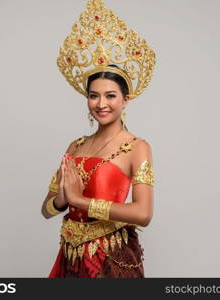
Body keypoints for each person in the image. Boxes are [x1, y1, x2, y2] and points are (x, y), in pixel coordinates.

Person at [41, 0, 156, 278]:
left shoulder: (137, 148)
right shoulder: (76, 146)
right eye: (94, 96)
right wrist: (62, 200)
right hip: (70, 256)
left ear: (125, 100)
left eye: (110, 96)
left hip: (111, 258)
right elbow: (46, 209)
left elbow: (143, 214)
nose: (101, 104)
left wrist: (80, 201)